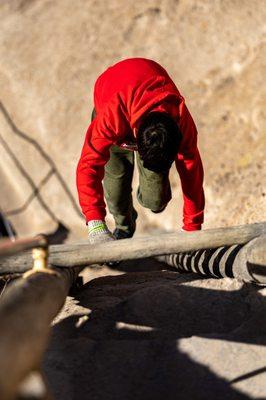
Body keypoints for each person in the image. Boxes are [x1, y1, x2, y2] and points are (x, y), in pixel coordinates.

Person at [76, 58, 205, 244]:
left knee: (155, 199)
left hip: (141, 114)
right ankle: (124, 227)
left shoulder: (180, 119)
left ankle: (155, 199)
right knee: (115, 194)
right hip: (115, 113)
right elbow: (88, 166)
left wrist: (193, 227)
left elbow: (191, 169)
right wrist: (95, 224)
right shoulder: (109, 118)